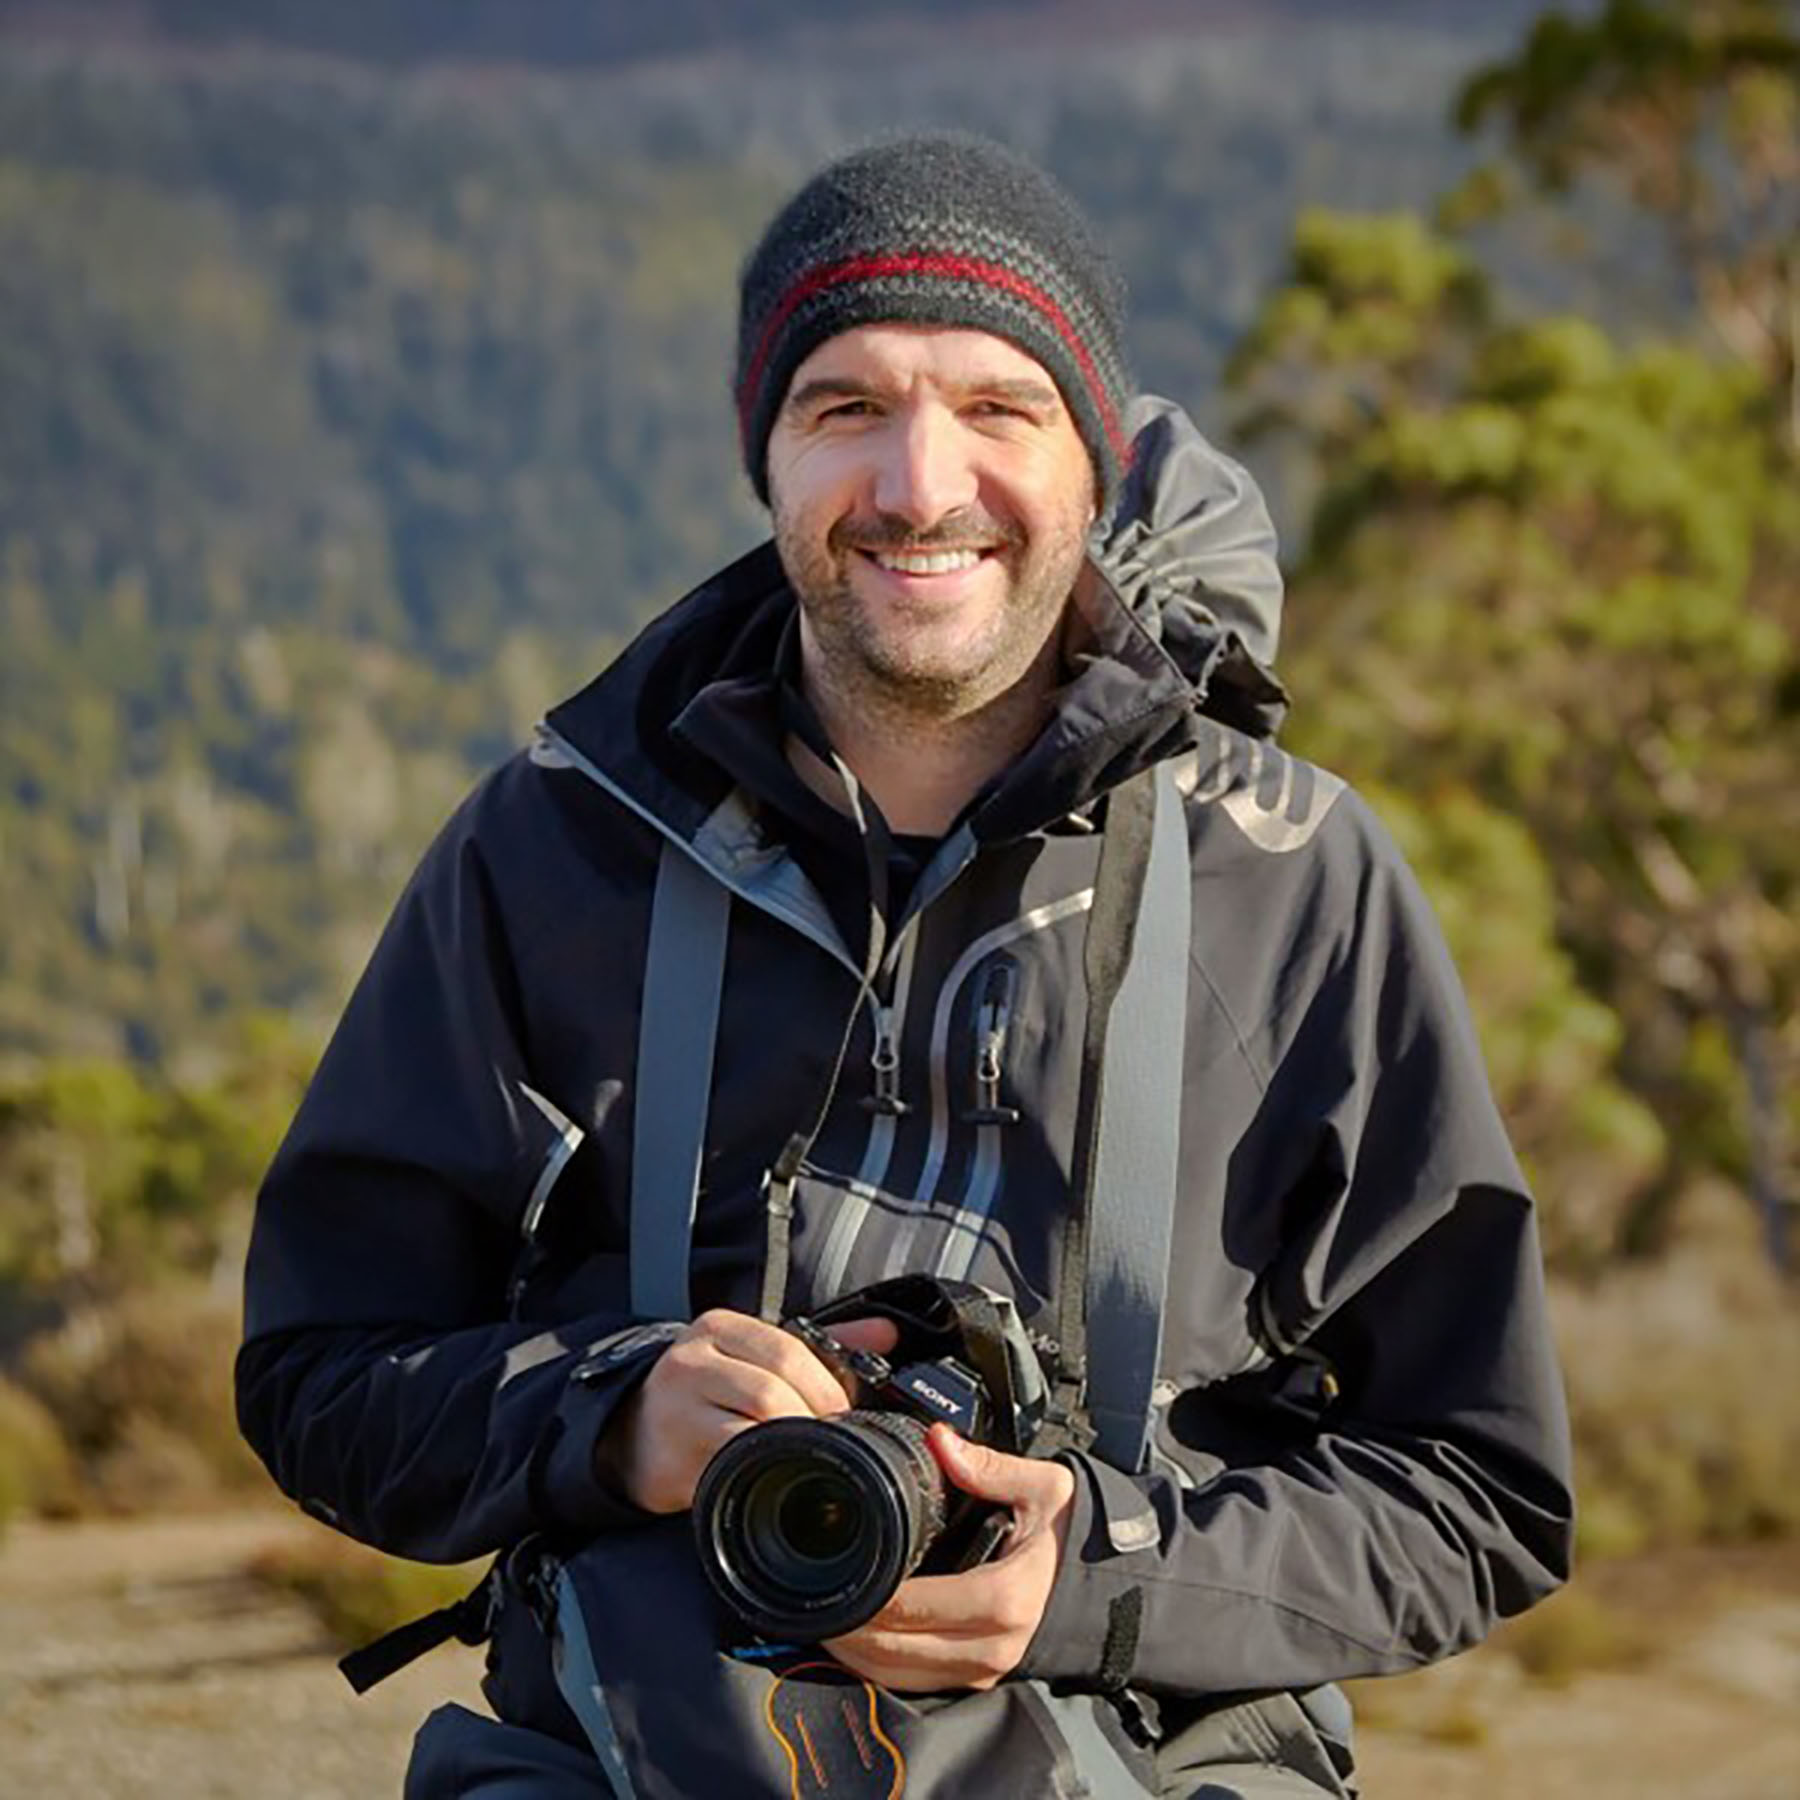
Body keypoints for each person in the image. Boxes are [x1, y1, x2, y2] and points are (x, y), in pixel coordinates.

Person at [238, 134, 1573, 1798]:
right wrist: (609, 1414)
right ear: (768, 462)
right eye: (845, 406)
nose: (920, 486)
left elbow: (1478, 1488)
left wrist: (1099, 1569)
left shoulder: (1292, 877)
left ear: (1094, 460)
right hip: (621, 1756)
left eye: (998, 408)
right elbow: (318, 1373)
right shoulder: (554, 841)